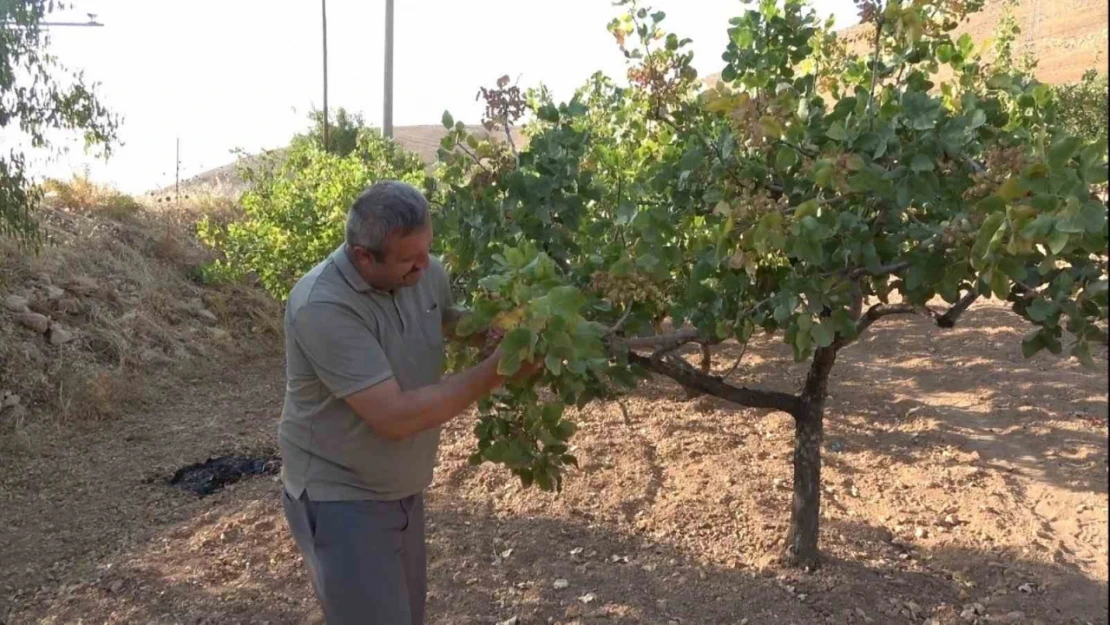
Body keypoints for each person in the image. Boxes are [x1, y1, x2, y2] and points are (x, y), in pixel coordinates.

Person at [279, 180, 535, 624]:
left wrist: (486, 332)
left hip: (400, 488)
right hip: (341, 496)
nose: (424, 266)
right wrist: (499, 368)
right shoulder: (322, 306)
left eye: (427, 250)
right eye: (409, 260)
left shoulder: (424, 271)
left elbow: (444, 318)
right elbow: (394, 417)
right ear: (363, 255)